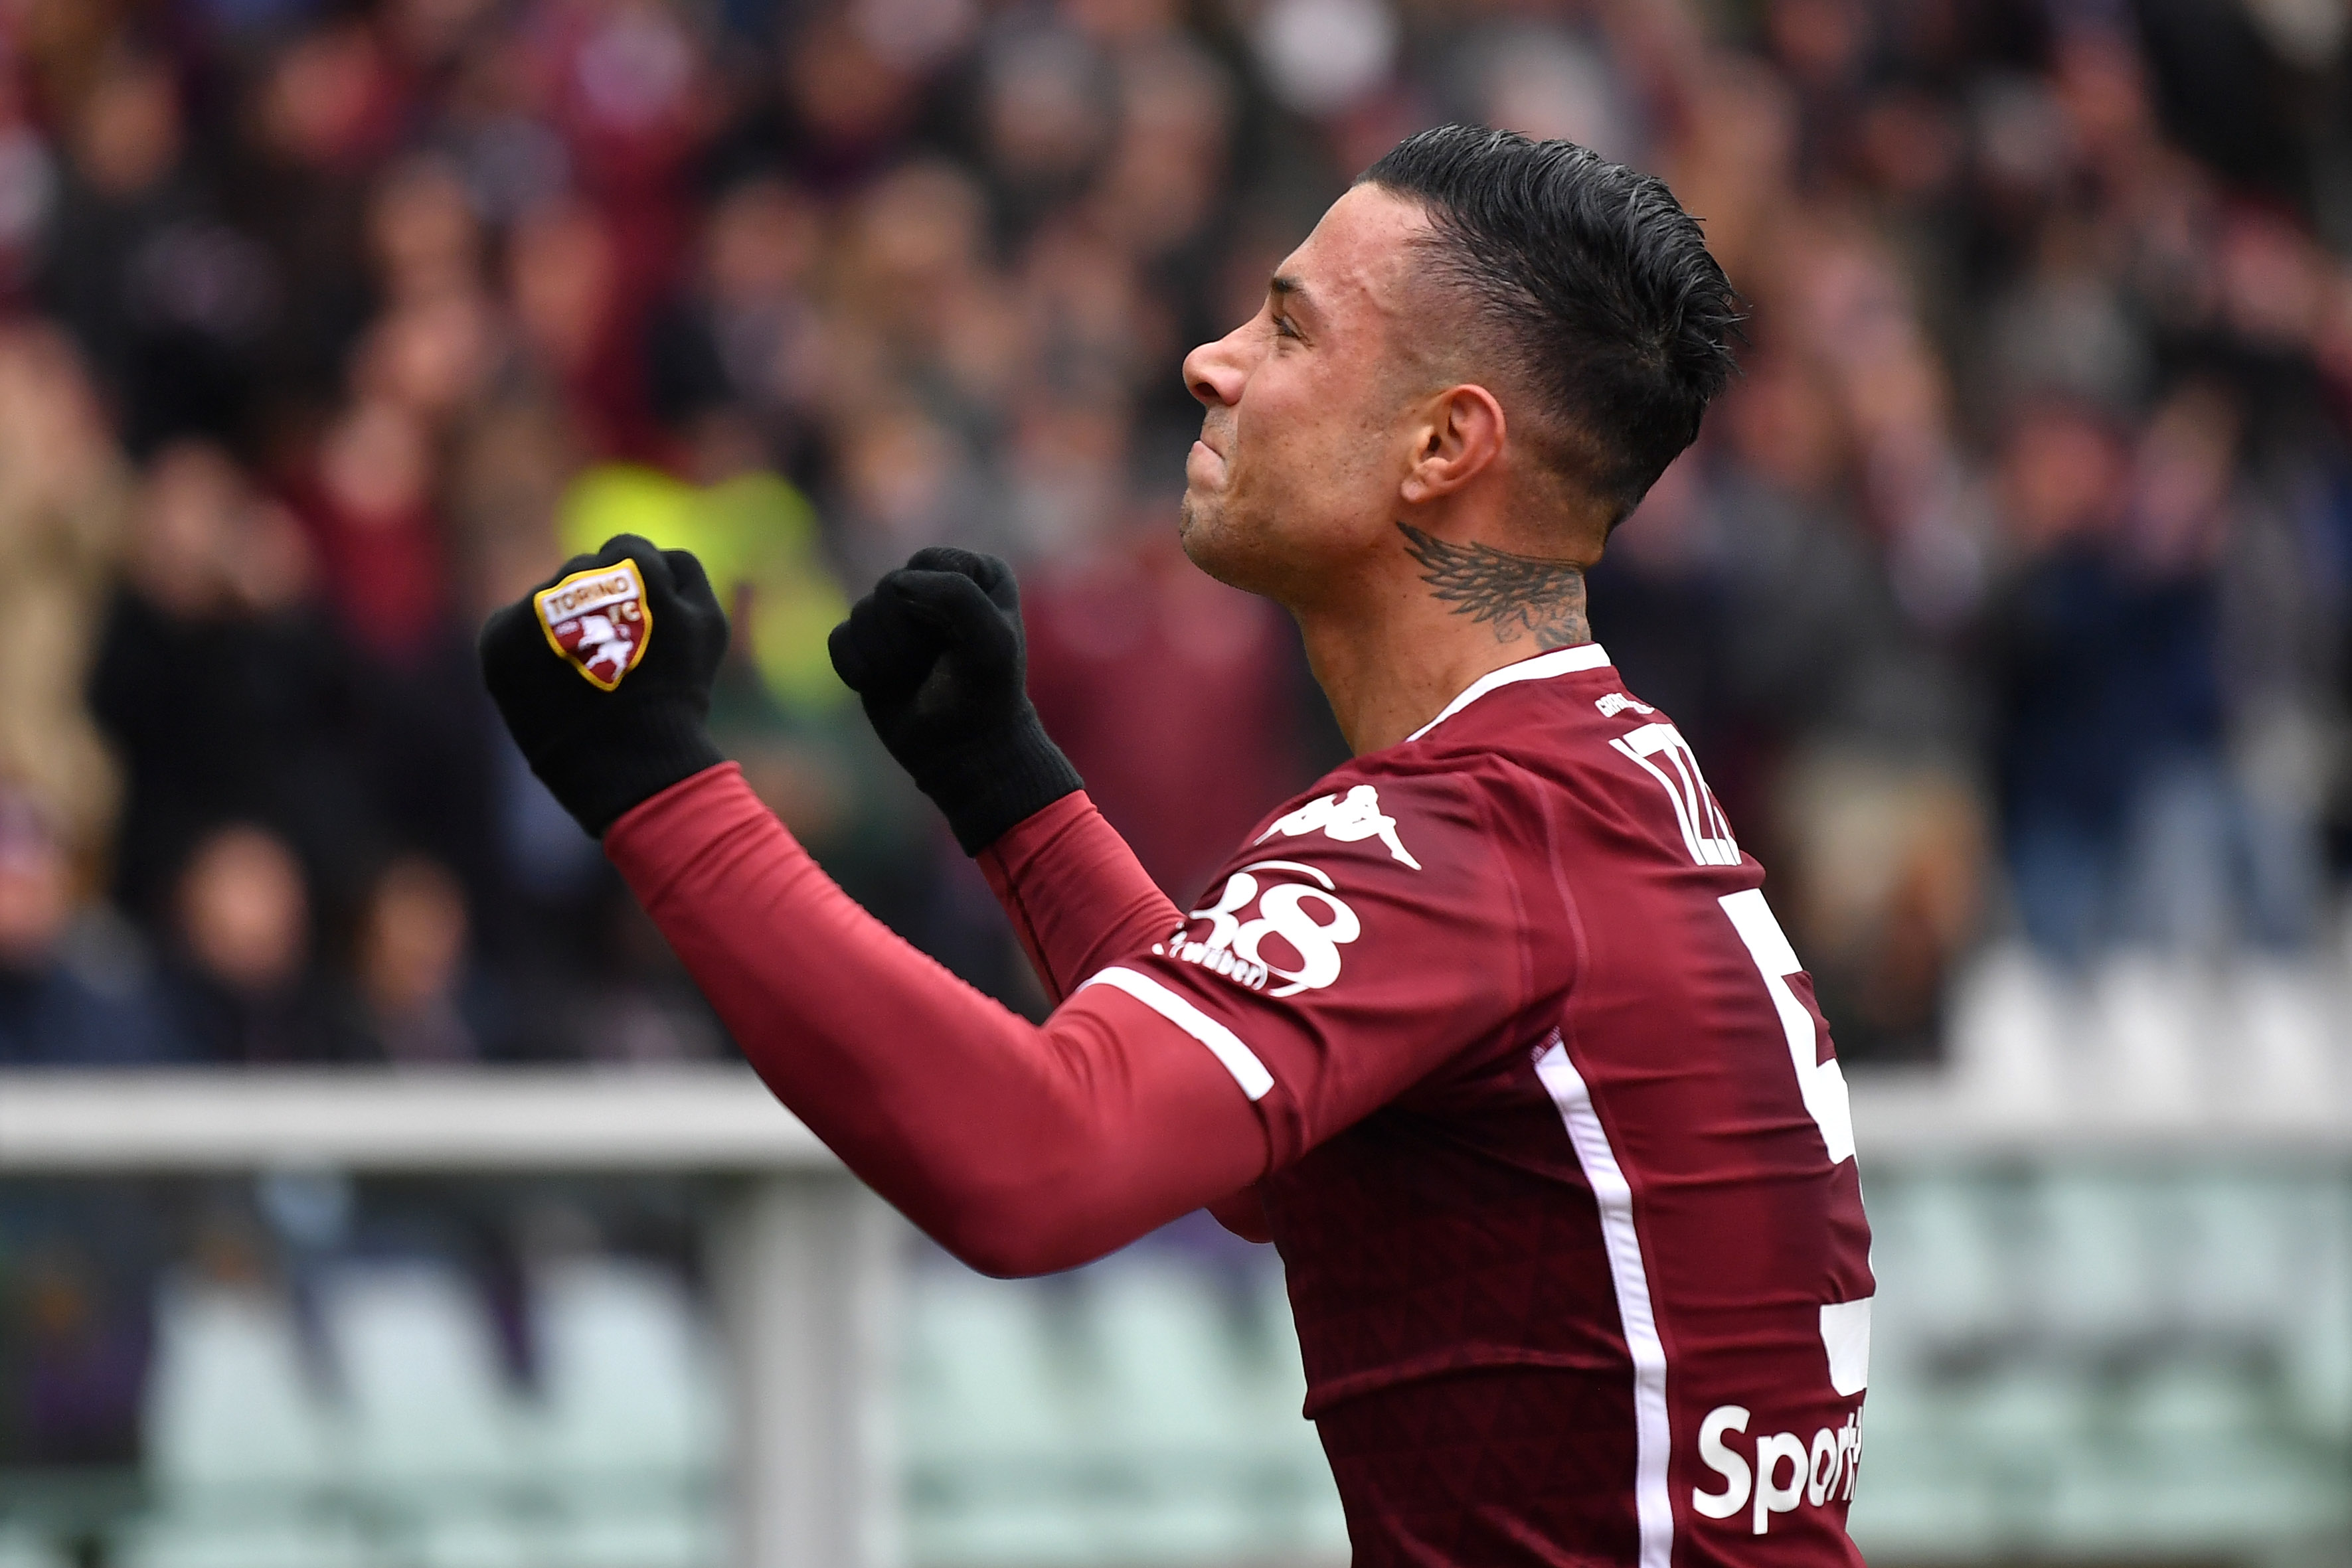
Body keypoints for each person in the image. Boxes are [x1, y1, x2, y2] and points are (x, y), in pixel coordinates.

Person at [482, 127, 1872, 1567]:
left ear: (1443, 444)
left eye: (1284, 328)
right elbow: (1268, 1167)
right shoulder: (1609, 779)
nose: (1210, 362)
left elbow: (1028, 1163)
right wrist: (1015, 798)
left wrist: (651, 782)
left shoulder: (1470, 830)